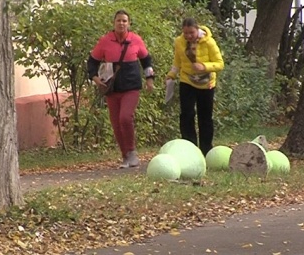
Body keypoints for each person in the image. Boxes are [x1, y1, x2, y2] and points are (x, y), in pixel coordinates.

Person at [87, 10, 154, 168]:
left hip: (131, 86)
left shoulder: (135, 40)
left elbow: (147, 61)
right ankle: (125, 156)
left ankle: (132, 153)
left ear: (128, 23)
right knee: (116, 123)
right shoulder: (105, 41)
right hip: (112, 88)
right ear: (114, 23)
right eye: (118, 20)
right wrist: (95, 78)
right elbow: (92, 62)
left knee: (125, 117)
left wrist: (150, 79)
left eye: (124, 21)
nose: (121, 23)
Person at [166, 18, 224, 156]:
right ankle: (189, 147)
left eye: (191, 32)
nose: (188, 36)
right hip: (187, 80)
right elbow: (177, 61)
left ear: (197, 30)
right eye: (185, 33)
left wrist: (204, 66)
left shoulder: (209, 42)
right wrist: (171, 75)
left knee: (205, 117)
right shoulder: (179, 42)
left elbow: (220, 64)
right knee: (186, 114)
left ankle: (206, 149)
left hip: (206, 83)